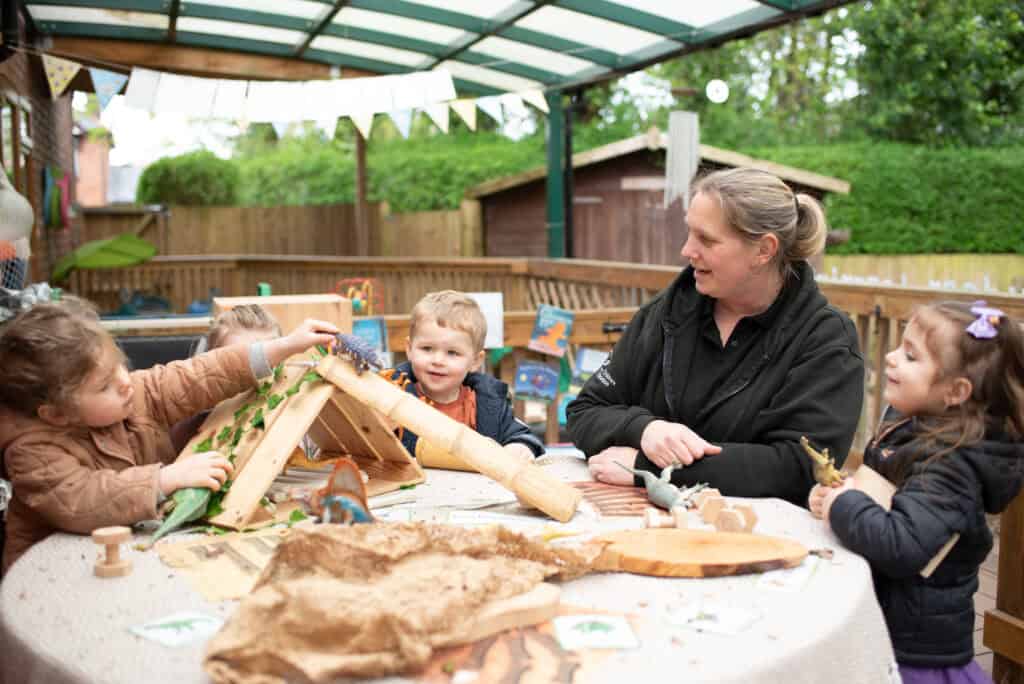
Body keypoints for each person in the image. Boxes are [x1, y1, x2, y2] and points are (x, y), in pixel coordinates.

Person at [566, 167, 864, 505]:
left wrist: (650, 467)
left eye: (706, 239)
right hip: (642, 527)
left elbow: (799, 467)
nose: (686, 250)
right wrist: (644, 430)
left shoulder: (825, 340)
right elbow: (584, 411)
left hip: (759, 543)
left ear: (764, 250)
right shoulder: (666, 313)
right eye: (690, 232)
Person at [0, 299, 338, 574]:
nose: (123, 380)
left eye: (120, 364)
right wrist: (163, 480)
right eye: (103, 384)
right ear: (57, 413)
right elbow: (82, 500)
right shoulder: (31, 451)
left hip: (119, 556)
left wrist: (280, 348)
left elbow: (197, 375)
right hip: (50, 579)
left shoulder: (133, 394)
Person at [811, 301, 1024, 684]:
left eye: (910, 355)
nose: (890, 358)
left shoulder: (953, 465)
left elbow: (902, 545)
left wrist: (847, 504)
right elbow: (889, 495)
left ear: (955, 392)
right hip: (888, 624)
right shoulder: (914, 425)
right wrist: (838, 495)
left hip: (917, 651)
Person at [382, 290, 543, 466]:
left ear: (475, 361)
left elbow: (521, 435)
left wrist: (520, 447)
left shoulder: (488, 401)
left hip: (475, 490)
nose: (438, 360)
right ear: (409, 349)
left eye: (452, 353)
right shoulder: (391, 395)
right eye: (427, 348)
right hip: (414, 489)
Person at [169, 304, 283, 453]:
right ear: (207, 366)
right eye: (232, 367)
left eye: (263, 363)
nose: (251, 378)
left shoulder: (292, 423)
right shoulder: (185, 434)